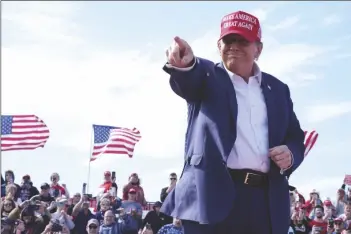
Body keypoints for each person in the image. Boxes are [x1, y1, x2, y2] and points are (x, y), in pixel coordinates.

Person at [160, 10, 305, 234]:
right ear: (219, 46)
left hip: (264, 203)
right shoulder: (207, 76)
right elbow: (189, 77)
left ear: (258, 49)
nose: (234, 46)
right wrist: (184, 64)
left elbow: (295, 137)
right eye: (228, 40)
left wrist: (291, 154)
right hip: (211, 198)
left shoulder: (278, 89)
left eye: (242, 40)